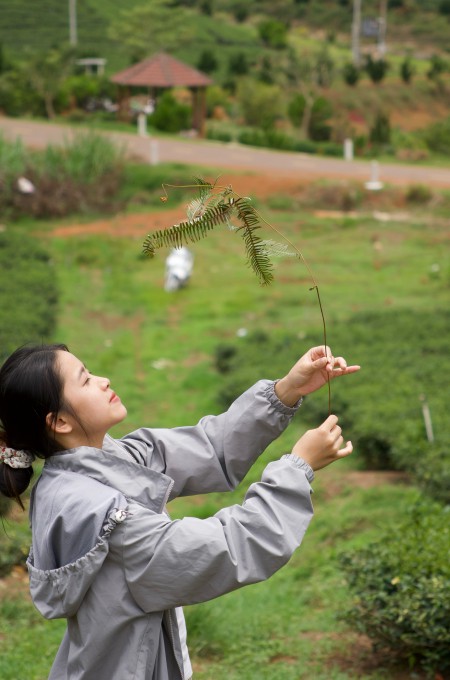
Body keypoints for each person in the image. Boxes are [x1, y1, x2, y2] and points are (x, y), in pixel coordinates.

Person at [0, 342, 359, 680]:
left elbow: (208, 446)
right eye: (85, 380)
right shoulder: (106, 517)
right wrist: (297, 469)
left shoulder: (96, 465)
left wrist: (286, 390)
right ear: (60, 422)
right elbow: (231, 546)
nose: (103, 380)